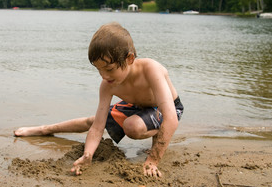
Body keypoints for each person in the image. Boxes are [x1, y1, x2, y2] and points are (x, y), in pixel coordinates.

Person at [14, 22, 184, 178]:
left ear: (129, 59)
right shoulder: (108, 84)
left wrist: (153, 159)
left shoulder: (151, 69)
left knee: (132, 126)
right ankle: (45, 129)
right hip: (136, 106)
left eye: (109, 69)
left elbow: (171, 118)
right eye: (99, 69)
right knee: (93, 120)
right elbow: (97, 128)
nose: (104, 76)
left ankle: (157, 140)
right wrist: (88, 154)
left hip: (167, 108)